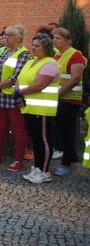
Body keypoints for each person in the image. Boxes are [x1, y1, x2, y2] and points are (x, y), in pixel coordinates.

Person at [0, 25, 31, 172]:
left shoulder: (24, 54)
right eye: (5, 34)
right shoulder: (5, 52)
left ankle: (18, 159)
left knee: (18, 129)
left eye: (9, 35)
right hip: (1, 97)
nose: (5, 37)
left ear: (19, 38)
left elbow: (15, 77)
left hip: (14, 97)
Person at [16, 33, 60, 184]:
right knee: (36, 140)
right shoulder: (32, 62)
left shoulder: (50, 64)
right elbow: (19, 79)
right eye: (32, 45)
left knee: (44, 140)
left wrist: (19, 92)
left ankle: (45, 171)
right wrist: (19, 95)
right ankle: (37, 167)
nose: (33, 48)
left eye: (37, 46)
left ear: (46, 48)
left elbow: (40, 84)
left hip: (43, 109)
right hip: (29, 107)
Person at [52, 27, 86, 176]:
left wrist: (59, 93)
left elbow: (75, 79)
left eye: (58, 38)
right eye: (54, 37)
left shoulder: (75, 55)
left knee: (67, 133)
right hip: (59, 99)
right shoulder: (57, 55)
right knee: (60, 132)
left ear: (67, 40)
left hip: (70, 100)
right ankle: (72, 160)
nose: (54, 40)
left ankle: (66, 163)